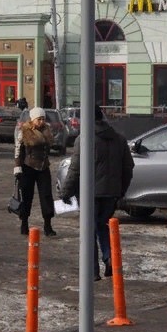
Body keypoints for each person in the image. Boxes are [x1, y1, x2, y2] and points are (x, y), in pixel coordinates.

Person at [62, 105, 134, 280]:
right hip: (111, 193)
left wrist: (66, 192)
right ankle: (110, 259)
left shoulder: (84, 139)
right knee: (102, 226)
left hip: (90, 194)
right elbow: (128, 167)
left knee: (89, 230)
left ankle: (92, 271)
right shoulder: (119, 139)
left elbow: (75, 169)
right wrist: (120, 190)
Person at [14, 107, 57, 237]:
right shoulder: (25, 131)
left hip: (43, 167)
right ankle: (24, 223)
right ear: (33, 120)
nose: (41, 121)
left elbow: (49, 148)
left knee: (46, 196)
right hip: (28, 167)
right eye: (39, 119)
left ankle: (48, 225)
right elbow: (18, 151)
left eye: (43, 119)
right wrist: (17, 167)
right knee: (26, 196)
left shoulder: (47, 131)